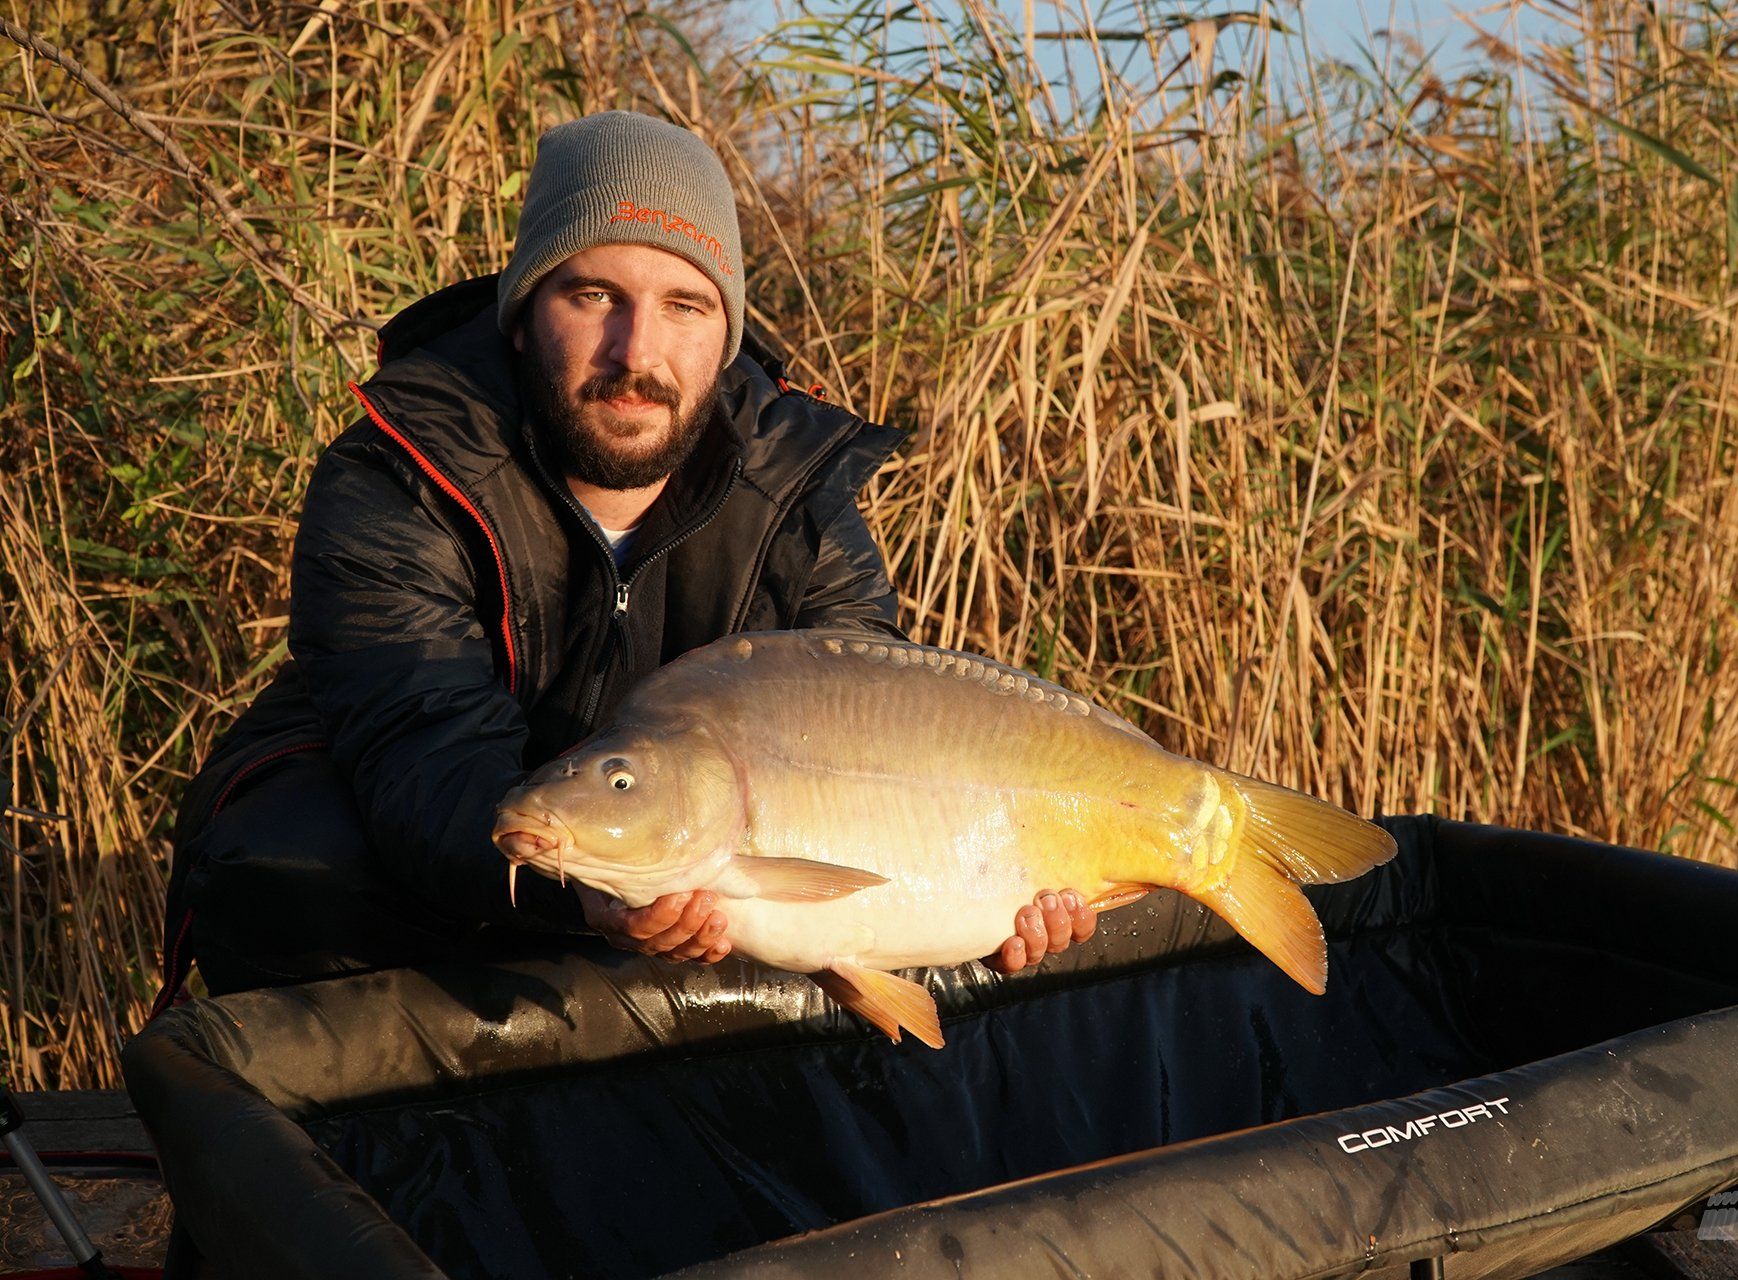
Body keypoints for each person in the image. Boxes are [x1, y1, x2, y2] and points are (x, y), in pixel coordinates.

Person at [152, 110, 1098, 1011]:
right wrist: (595, 898)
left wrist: (991, 892)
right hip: (476, 867)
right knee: (286, 857)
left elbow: (874, 749)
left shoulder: (798, 494)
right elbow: (422, 754)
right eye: (595, 295)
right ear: (522, 315)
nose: (635, 351)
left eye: (684, 304)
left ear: (724, 338)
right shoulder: (399, 472)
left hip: (686, 849)